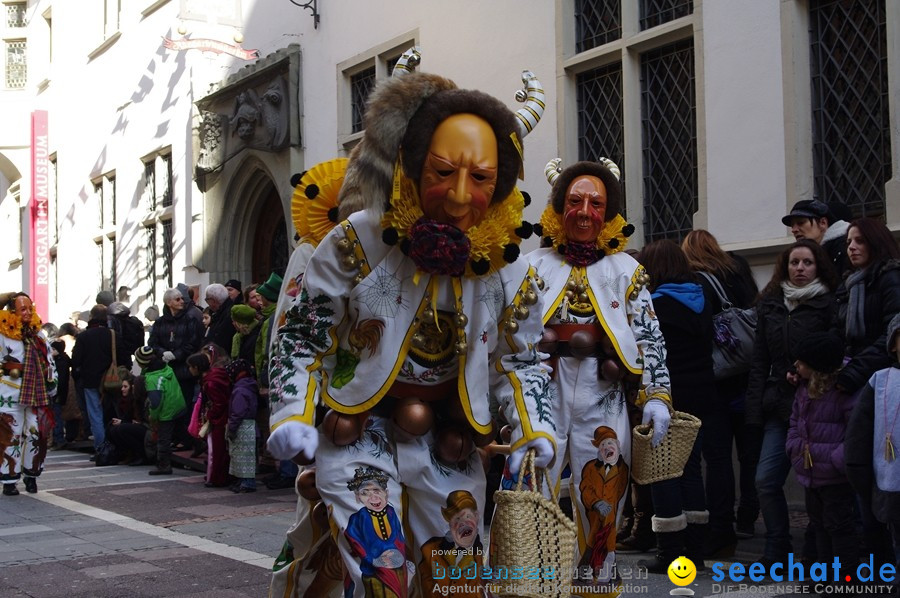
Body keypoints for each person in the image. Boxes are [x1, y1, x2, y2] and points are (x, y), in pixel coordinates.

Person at [266, 69, 556, 598]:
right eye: (443, 172)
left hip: (451, 437)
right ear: (413, 163)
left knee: (457, 579)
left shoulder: (504, 263)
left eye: (482, 178)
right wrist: (294, 412)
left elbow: (521, 359)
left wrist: (534, 428)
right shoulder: (358, 242)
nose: (460, 195)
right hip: (361, 431)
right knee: (384, 573)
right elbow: (303, 334)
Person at [527, 158, 672, 588]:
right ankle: (536, 586)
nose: (585, 211)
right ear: (559, 205)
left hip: (603, 392)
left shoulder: (626, 270)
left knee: (604, 497)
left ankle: (596, 585)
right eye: (575, 201)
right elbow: (507, 334)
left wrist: (658, 395)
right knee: (531, 492)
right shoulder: (531, 266)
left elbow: (650, 337)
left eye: (595, 202)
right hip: (542, 392)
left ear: (608, 212)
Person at [745, 239, 839, 566]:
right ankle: (777, 546)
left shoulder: (828, 303)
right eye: (794, 263)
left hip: (818, 404)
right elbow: (759, 360)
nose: (799, 269)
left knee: (819, 486)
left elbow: (834, 351)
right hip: (778, 405)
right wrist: (754, 410)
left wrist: (809, 371)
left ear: (818, 266)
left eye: (807, 263)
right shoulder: (771, 304)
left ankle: (819, 552)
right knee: (765, 480)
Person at [635, 239, 713, 572]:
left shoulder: (656, 305)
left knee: (664, 470)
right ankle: (695, 550)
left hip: (669, 394)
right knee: (691, 470)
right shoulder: (700, 298)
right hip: (703, 392)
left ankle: (670, 551)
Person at [681, 229, 760, 553]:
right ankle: (748, 516)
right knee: (749, 453)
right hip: (749, 375)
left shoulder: (697, 282)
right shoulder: (739, 269)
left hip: (717, 380)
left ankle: (721, 527)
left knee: (718, 459)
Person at [784, 332, 859, 578]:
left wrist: (839, 460)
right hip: (811, 470)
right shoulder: (804, 388)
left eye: (802, 362)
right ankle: (825, 577)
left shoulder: (842, 391)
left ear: (817, 366)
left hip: (834, 474)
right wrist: (795, 446)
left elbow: (855, 431)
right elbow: (795, 419)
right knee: (820, 527)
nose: (796, 365)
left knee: (839, 528)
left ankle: (845, 580)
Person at [846, 313, 900, 583]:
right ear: (893, 345)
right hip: (888, 479)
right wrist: (859, 473)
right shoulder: (880, 380)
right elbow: (859, 433)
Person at [0, 293, 57, 495]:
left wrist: (52, 383)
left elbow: (49, 361)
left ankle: (31, 476)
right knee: (11, 436)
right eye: (22, 309)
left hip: (36, 392)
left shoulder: (39, 335)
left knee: (37, 434)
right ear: (12, 311)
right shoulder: (2, 333)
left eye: (29, 308)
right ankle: (9, 480)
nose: (27, 312)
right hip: (9, 392)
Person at [836, 217, 900, 394]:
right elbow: (837, 331)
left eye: (860, 241)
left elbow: (892, 333)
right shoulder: (848, 285)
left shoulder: (890, 277)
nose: (851, 247)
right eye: (848, 242)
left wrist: (855, 370)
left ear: (876, 242)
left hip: (880, 377)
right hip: (852, 371)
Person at [71, 304, 130, 458]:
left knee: (95, 415)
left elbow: (76, 360)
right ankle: (118, 446)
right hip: (112, 381)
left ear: (91, 318)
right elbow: (124, 357)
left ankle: (101, 449)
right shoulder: (113, 334)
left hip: (90, 381)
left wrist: (79, 375)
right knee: (113, 412)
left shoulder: (83, 336)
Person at [147, 288, 204, 410]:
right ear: (169, 303)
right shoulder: (160, 323)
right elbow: (152, 342)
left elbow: (193, 343)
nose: (182, 301)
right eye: (178, 299)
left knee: (185, 406)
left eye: (182, 298)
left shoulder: (190, 320)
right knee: (168, 406)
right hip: (165, 372)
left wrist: (176, 355)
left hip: (184, 371)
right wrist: (163, 353)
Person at [134, 345, 187, 475]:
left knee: (164, 439)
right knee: (181, 430)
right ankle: (198, 445)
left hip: (166, 410)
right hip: (178, 403)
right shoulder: (164, 367)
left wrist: (153, 417)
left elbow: (156, 403)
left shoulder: (153, 378)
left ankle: (164, 465)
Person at [187, 352, 231, 487]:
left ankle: (215, 478)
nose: (189, 370)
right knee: (219, 451)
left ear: (196, 367)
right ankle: (217, 476)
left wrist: (210, 415)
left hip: (218, 421)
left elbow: (219, 403)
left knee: (215, 451)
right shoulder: (213, 379)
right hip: (221, 420)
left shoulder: (210, 383)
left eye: (190, 367)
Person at [782, 199, 851, 278]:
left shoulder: (845, 248)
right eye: (792, 225)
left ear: (822, 223)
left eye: (800, 223)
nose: (794, 230)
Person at [225, 358, 257, 493]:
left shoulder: (240, 390)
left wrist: (231, 428)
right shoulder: (249, 386)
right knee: (246, 455)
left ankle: (247, 483)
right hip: (250, 425)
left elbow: (237, 411)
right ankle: (244, 481)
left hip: (243, 426)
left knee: (243, 456)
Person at [107, 371, 151, 466]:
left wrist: (129, 422)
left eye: (125, 387)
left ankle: (140, 455)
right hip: (139, 425)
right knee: (113, 427)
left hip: (147, 429)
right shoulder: (130, 400)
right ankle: (125, 454)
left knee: (122, 429)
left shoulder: (143, 400)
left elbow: (149, 420)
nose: (122, 389)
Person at [49, 339, 70, 450]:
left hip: (58, 393)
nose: (51, 351)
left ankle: (59, 439)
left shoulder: (61, 362)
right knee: (55, 416)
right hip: (58, 392)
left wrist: (56, 391)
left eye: (53, 349)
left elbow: (60, 380)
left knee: (56, 417)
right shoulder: (60, 360)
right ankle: (57, 439)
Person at [204, 283, 237, 351]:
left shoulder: (228, 316)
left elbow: (221, 341)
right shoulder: (219, 313)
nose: (207, 304)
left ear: (213, 300)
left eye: (207, 300)